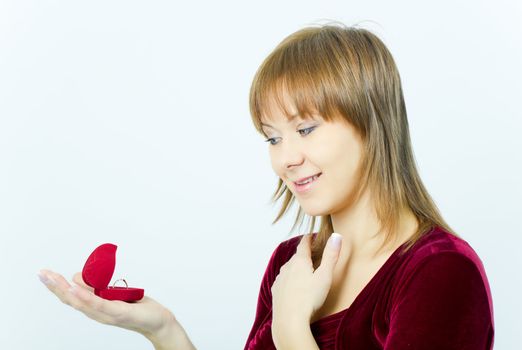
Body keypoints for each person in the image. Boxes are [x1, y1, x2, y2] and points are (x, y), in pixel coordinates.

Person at [38, 23, 495, 349]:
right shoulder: (289, 264)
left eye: (307, 129)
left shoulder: (441, 273)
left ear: (371, 123)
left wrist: (293, 327)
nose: (286, 158)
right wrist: (162, 329)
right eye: (273, 137)